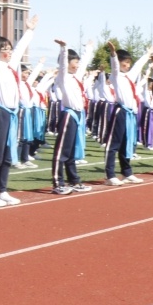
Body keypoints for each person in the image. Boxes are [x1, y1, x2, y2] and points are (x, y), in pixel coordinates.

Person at [0, 8, 37, 206]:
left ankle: (1, 189)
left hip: (12, 113)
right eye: (5, 48)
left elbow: (19, 49)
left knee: (7, 153)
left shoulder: (12, 66)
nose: (9, 51)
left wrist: (29, 31)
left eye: (9, 48)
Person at [104, 41, 151, 186]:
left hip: (130, 114)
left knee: (127, 143)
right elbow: (115, 67)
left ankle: (127, 172)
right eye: (125, 62)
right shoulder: (116, 75)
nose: (128, 65)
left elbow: (138, 66)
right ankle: (110, 174)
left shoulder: (129, 76)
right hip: (120, 112)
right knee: (114, 144)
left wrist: (147, 54)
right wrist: (113, 54)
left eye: (129, 62)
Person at [52, 40, 94, 193]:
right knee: (62, 151)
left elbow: (83, 63)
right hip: (68, 115)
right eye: (74, 62)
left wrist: (89, 49)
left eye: (77, 62)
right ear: (68, 63)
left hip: (78, 115)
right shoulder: (63, 77)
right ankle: (58, 183)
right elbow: (63, 66)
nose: (77, 65)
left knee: (71, 151)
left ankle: (74, 181)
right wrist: (64, 49)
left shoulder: (77, 76)